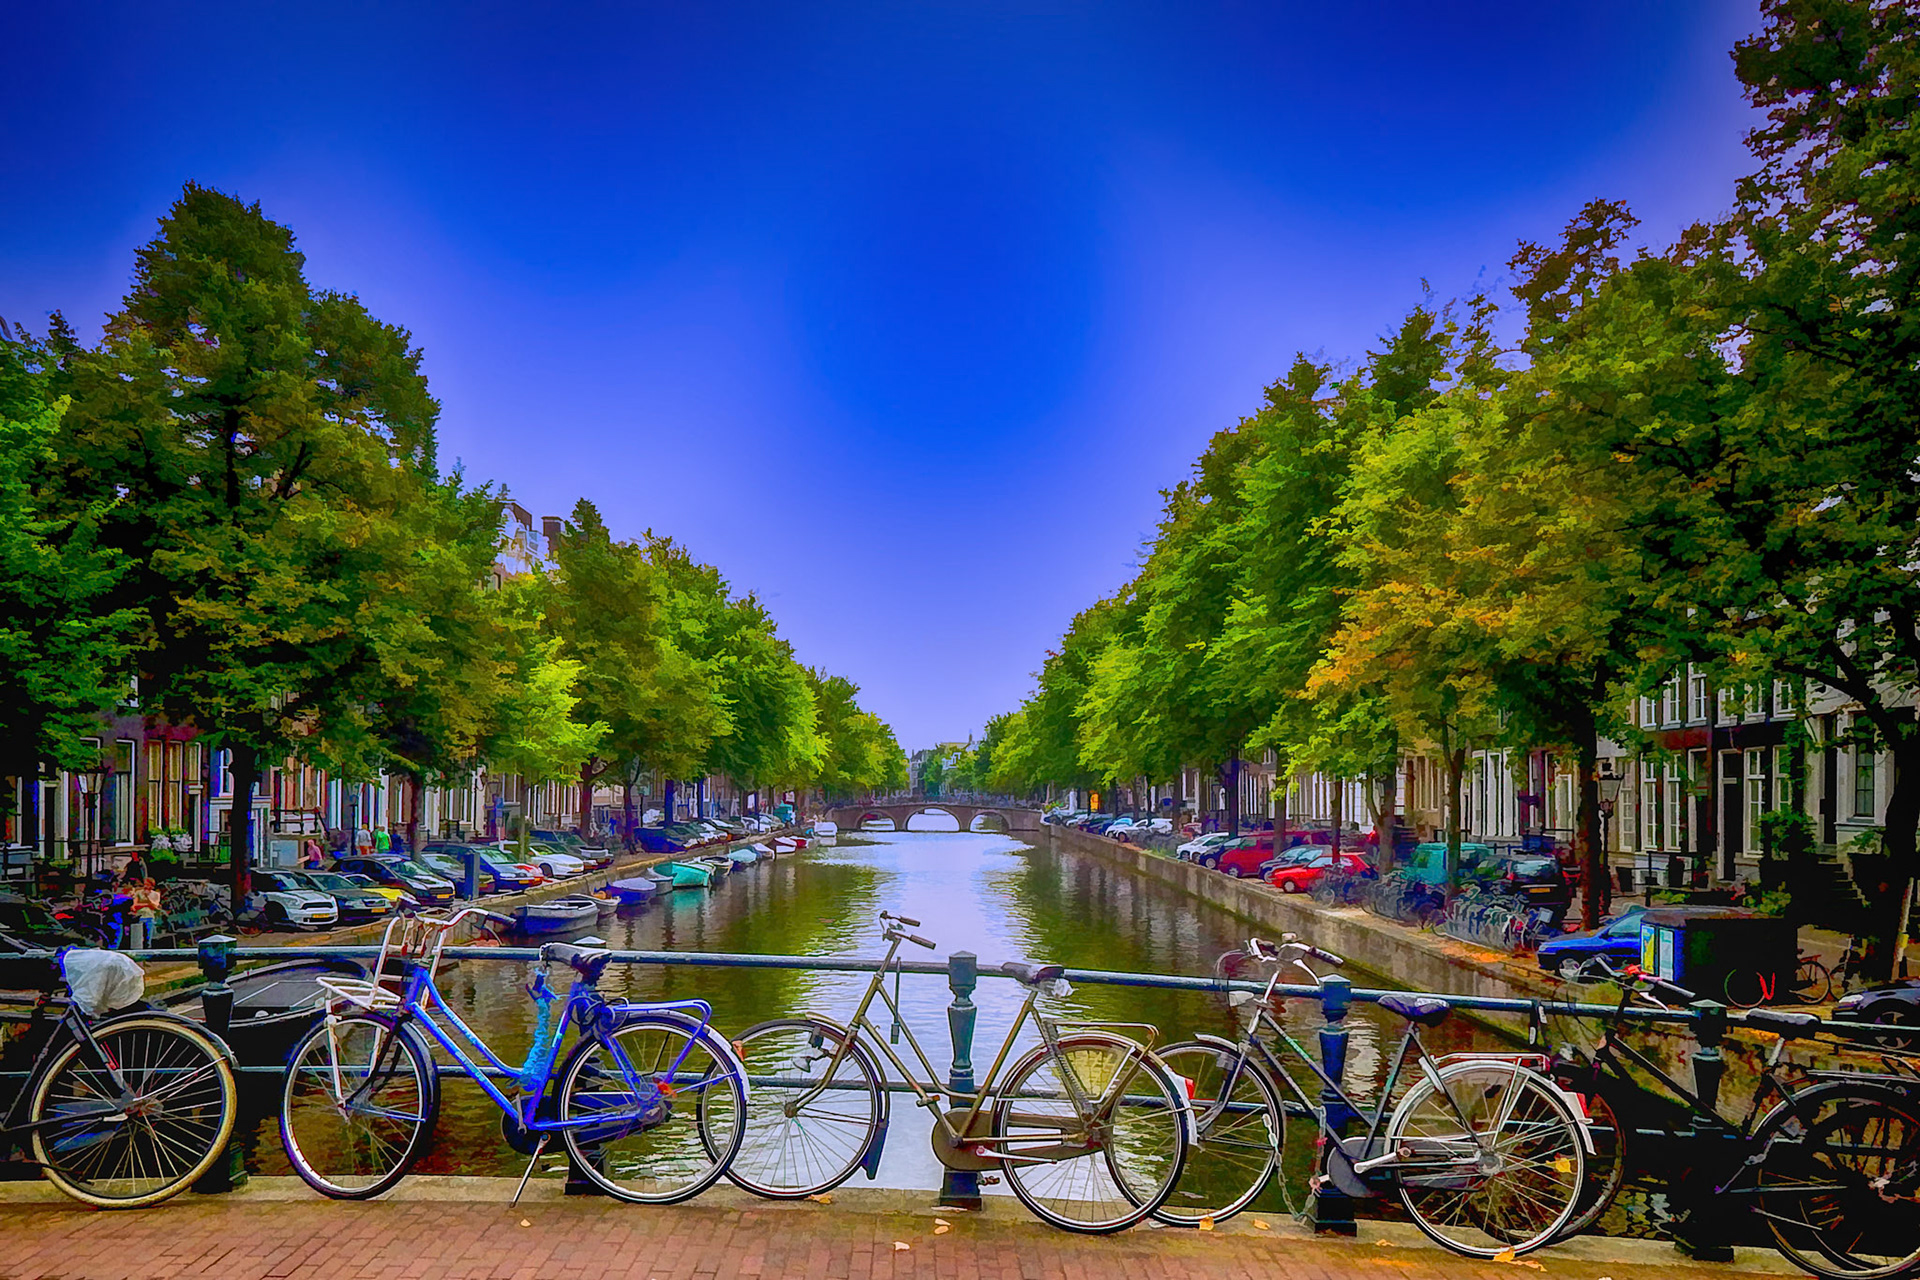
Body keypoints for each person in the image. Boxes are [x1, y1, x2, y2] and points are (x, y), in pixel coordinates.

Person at [128, 879, 162, 951]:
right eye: (145, 884)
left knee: (148, 938)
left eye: (148, 884)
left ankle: (147, 954)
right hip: (140, 916)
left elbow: (155, 906)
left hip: (149, 917)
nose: (145, 886)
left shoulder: (156, 894)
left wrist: (147, 897)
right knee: (139, 937)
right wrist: (147, 904)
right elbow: (134, 905)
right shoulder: (138, 893)